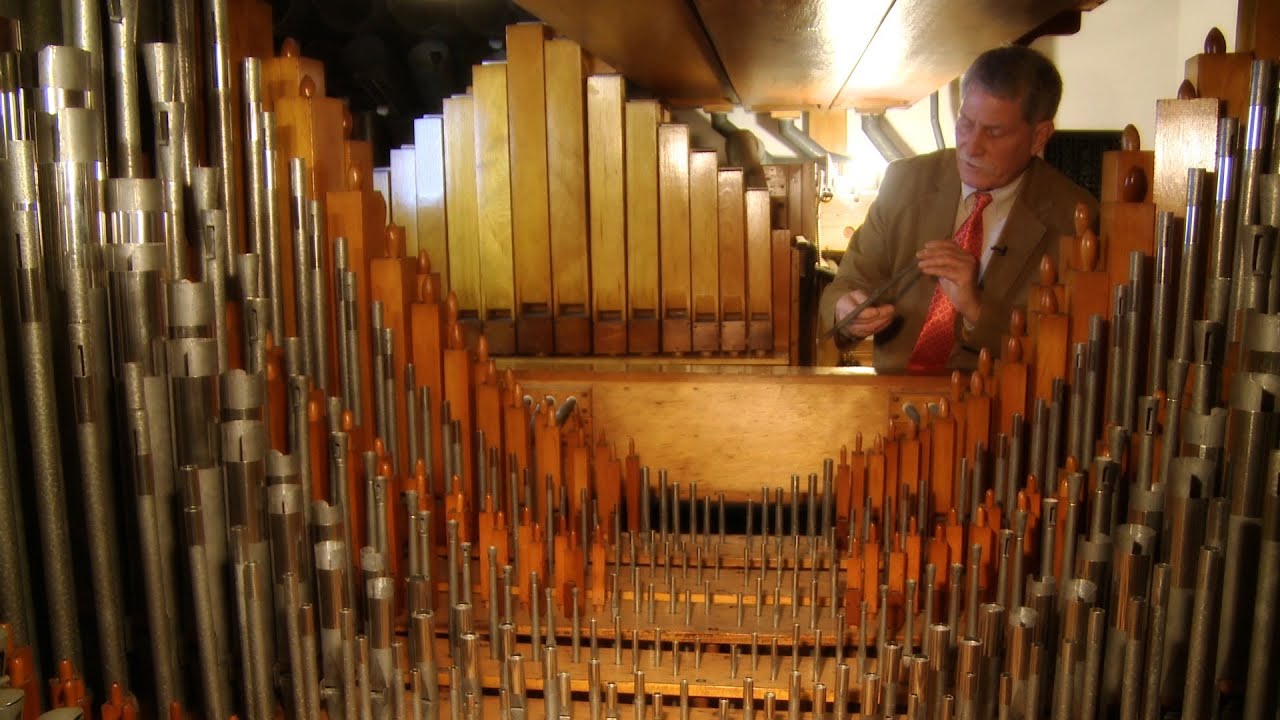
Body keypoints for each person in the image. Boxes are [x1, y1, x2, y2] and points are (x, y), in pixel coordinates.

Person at [819, 45, 1097, 372]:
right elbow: (844, 286)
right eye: (965, 122)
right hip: (892, 398)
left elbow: (1070, 355)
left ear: (1039, 137)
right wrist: (847, 313)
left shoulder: (1076, 219)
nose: (971, 145)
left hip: (1003, 409)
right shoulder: (904, 180)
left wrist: (976, 309)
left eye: (994, 132)